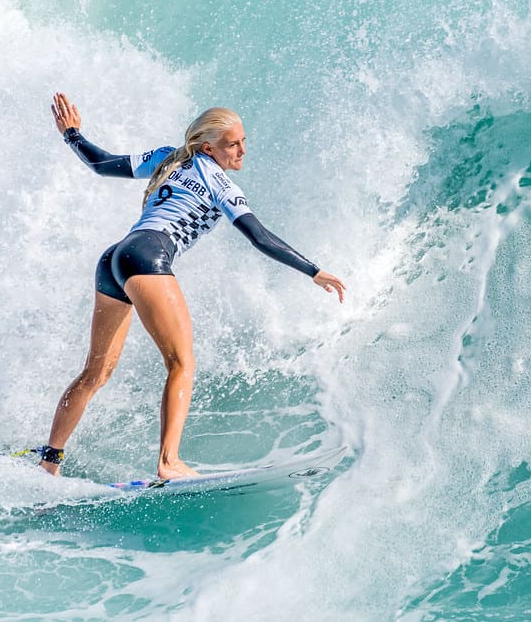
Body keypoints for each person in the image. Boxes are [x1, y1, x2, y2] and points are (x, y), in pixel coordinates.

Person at [37, 93, 346, 479]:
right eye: (232, 144)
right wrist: (313, 271)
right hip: (149, 258)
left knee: (95, 373)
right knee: (181, 362)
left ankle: (49, 461)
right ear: (207, 148)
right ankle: (169, 462)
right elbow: (260, 237)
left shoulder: (168, 157)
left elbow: (101, 164)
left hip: (115, 259)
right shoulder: (220, 184)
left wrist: (72, 135)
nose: (242, 151)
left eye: (243, 141)